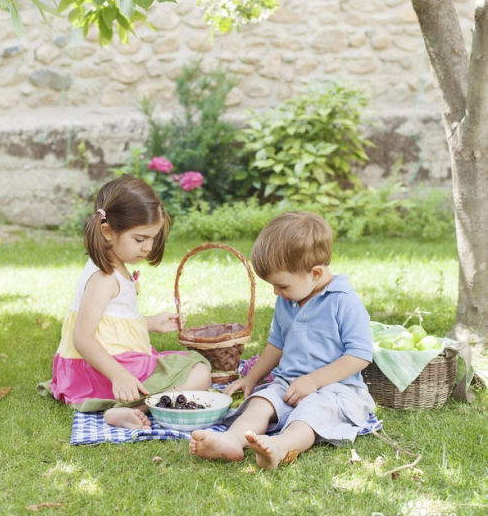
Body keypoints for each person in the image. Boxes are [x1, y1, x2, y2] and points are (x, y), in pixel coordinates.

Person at [189, 211, 375, 469]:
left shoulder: (344, 302)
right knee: (261, 403)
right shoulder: (288, 301)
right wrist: (252, 378)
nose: (277, 292)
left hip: (336, 389)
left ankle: (281, 447)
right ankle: (231, 441)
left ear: (316, 273)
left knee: (310, 415)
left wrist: (314, 381)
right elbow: (277, 344)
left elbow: (360, 355)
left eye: (283, 286)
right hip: (288, 383)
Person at [42, 174, 211, 429]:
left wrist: (150, 323)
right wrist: (119, 376)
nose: (148, 247)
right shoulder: (104, 279)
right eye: (140, 239)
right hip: (105, 371)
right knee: (199, 371)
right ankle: (134, 407)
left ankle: (131, 403)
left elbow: (108, 323)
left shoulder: (111, 267)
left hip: (99, 368)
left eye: (152, 238)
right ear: (108, 231)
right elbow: (83, 337)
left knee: (184, 367)